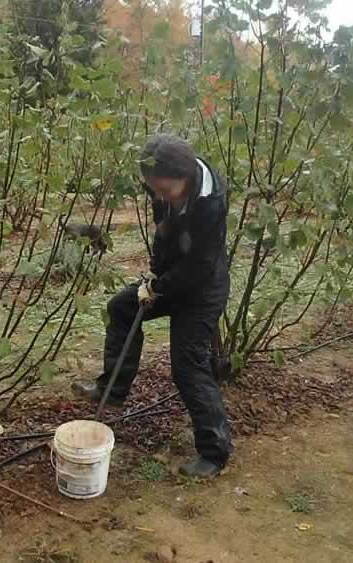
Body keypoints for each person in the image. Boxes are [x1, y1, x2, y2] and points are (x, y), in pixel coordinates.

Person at [71, 134, 233, 478]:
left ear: (186, 178)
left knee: (188, 366)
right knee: (121, 308)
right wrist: (153, 278)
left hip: (202, 288)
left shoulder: (211, 200)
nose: (158, 196)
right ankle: (113, 390)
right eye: (153, 188)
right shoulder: (161, 180)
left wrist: (158, 287)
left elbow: (199, 266)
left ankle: (214, 453)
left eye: (165, 191)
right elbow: (165, 230)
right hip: (171, 275)